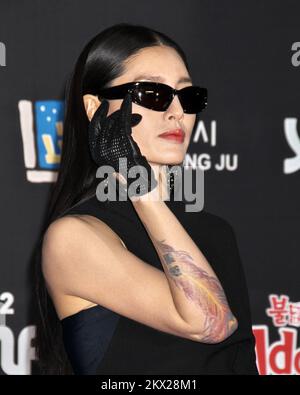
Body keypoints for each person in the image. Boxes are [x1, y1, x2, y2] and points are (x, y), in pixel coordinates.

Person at [34, 22, 259, 375]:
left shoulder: (216, 231)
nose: (176, 112)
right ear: (95, 108)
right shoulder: (75, 236)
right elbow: (209, 322)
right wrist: (141, 189)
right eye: (153, 94)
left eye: (188, 96)